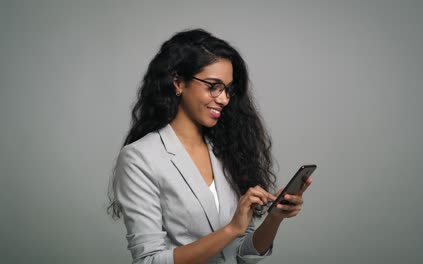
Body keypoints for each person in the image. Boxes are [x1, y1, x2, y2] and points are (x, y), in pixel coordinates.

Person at [107, 28, 312, 264]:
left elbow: (239, 254)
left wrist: (274, 217)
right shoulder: (139, 158)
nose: (224, 99)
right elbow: (148, 260)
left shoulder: (226, 150)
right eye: (213, 86)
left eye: (227, 89)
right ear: (178, 83)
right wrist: (231, 229)